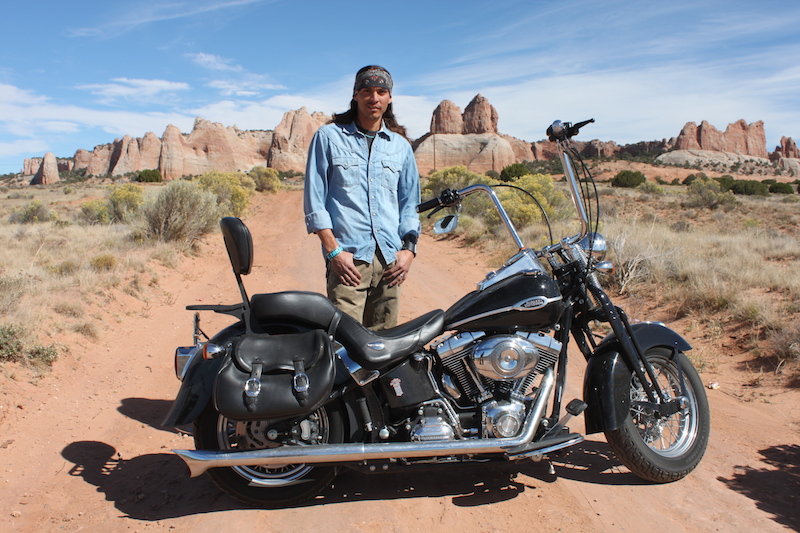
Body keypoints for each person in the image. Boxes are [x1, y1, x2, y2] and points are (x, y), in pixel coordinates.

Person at [303, 65, 420, 330]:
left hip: (390, 261)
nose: (374, 98)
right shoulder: (329, 137)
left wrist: (409, 251)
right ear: (355, 95)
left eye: (381, 91)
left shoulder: (400, 146)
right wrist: (334, 252)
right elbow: (314, 200)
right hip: (349, 260)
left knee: (384, 347)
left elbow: (409, 205)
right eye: (367, 91)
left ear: (390, 98)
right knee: (345, 345)